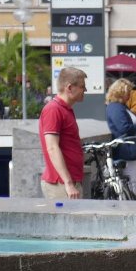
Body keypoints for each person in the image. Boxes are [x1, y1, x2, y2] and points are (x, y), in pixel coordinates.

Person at [38, 67, 87, 200]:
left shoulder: (65, 109)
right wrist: (68, 183)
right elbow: (52, 148)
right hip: (61, 185)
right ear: (70, 88)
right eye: (82, 86)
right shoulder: (53, 110)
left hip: (67, 184)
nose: (86, 90)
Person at [104, 78, 136, 194]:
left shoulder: (120, 106)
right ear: (121, 92)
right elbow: (124, 128)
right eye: (128, 91)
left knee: (133, 182)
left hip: (131, 149)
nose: (130, 94)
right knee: (132, 182)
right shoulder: (116, 107)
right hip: (127, 151)